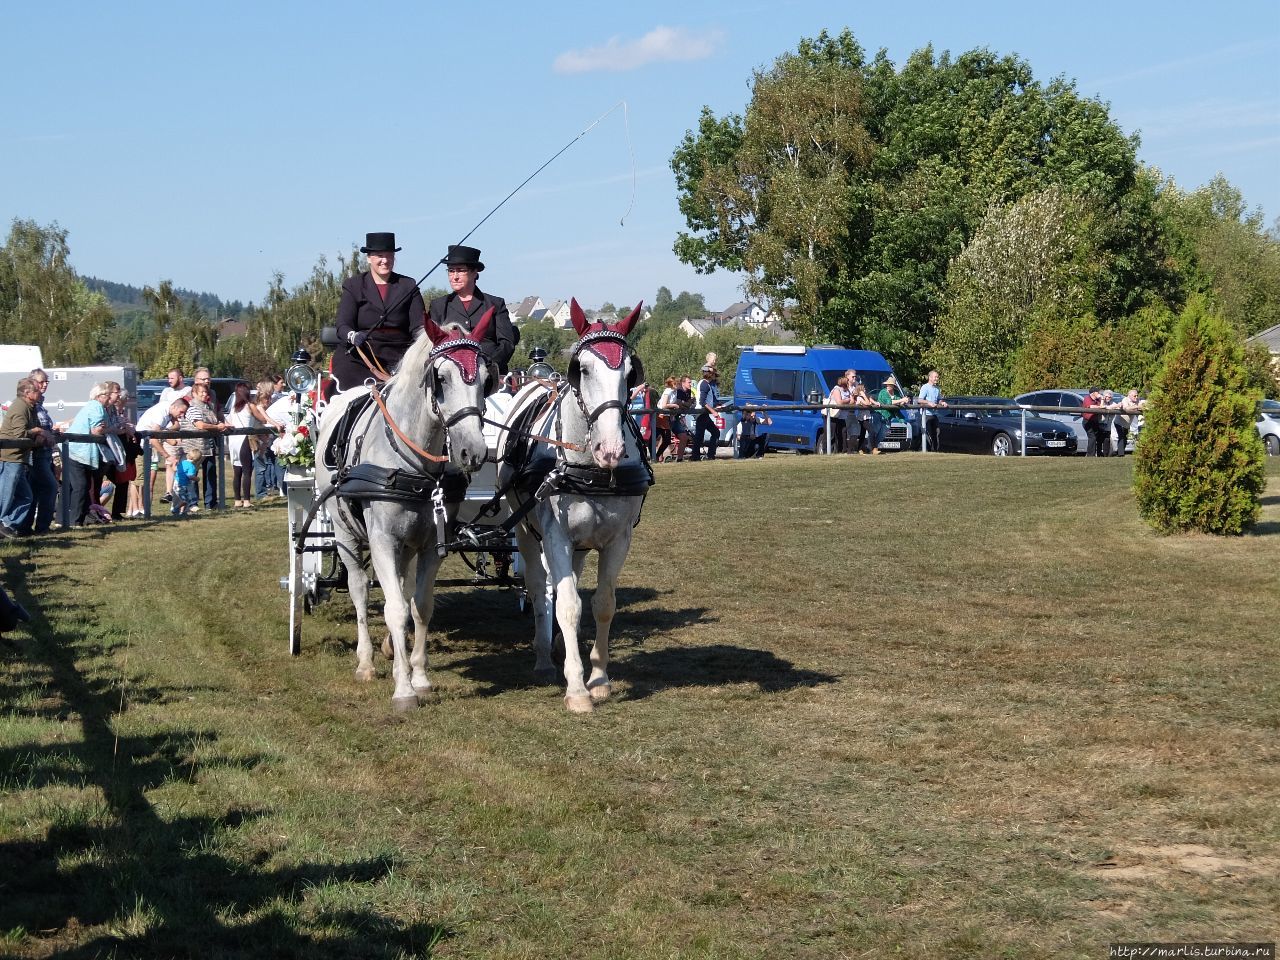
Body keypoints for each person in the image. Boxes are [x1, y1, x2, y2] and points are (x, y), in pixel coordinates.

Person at [332, 231, 427, 393]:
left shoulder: (408, 285)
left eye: (389, 256)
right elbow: (343, 324)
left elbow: (419, 326)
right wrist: (353, 336)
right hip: (362, 353)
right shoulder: (353, 285)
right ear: (369, 258)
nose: (385, 261)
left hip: (399, 354)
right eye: (379, 256)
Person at [428, 245, 517, 374]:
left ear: (474, 272)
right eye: (451, 271)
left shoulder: (495, 304)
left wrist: (488, 365)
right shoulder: (439, 306)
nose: (455, 276)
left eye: (460, 270)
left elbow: (507, 344)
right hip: (452, 377)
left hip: (490, 375)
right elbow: (432, 345)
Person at [0, 378, 48, 539]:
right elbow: (19, 434)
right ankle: (3, 523)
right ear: (27, 393)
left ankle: (6, 524)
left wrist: (38, 435)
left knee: (26, 496)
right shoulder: (20, 407)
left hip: (19, 458)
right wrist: (36, 431)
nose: (39, 391)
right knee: (5, 496)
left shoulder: (30, 406)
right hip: (10, 458)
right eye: (36, 390)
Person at [65, 382, 117, 527]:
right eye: (107, 395)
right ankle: (74, 521)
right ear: (100, 396)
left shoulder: (94, 407)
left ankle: (83, 519)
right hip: (77, 451)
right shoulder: (97, 407)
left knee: (85, 485)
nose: (109, 398)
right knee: (80, 486)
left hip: (80, 451)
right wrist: (110, 429)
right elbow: (96, 431)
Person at [182, 375, 231, 509]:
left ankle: (211, 503)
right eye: (201, 392)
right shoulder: (192, 407)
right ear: (194, 394)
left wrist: (222, 424)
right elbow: (200, 425)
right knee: (192, 474)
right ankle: (192, 503)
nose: (205, 394)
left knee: (210, 474)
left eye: (206, 392)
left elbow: (214, 420)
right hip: (194, 447)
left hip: (208, 446)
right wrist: (217, 427)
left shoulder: (208, 406)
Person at [138, 394, 190, 515]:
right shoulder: (161, 414)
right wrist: (167, 456)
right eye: (181, 412)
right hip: (141, 446)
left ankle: (145, 511)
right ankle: (138, 510)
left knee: (148, 482)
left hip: (148, 446)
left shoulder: (169, 410)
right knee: (140, 482)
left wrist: (167, 433)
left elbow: (177, 426)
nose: (182, 415)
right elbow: (154, 438)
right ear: (174, 407)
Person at [23, 369, 58, 535]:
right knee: (50, 487)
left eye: (46, 382)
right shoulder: (28, 405)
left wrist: (52, 432)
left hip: (44, 453)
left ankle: (26, 527)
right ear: (31, 383)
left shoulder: (39, 404)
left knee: (34, 490)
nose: (44, 385)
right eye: (41, 381)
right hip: (35, 455)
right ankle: (42, 527)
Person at [692, 365, 726, 461]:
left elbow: (709, 401)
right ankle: (697, 456)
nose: (715, 376)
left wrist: (717, 406)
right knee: (701, 435)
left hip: (704, 413)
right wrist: (713, 411)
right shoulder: (704, 384)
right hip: (702, 413)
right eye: (714, 374)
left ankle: (708, 455)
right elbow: (702, 402)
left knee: (712, 433)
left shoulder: (706, 384)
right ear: (710, 375)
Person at [873, 376, 910, 454]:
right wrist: (901, 400)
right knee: (875, 431)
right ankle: (872, 448)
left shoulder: (896, 392)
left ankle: (875, 447)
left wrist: (905, 401)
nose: (888, 386)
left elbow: (899, 401)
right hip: (880, 414)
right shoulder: (883, 392)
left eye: (890, 384)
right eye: (887, 384)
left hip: (889, 416)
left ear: (893, 386)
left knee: (884, 432)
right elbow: (889, 402)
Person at [917, 370, 948, 451]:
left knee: (937, 432)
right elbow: (919, 400)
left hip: (934, 414)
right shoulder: (925, 387)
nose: (937, 378)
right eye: (935, 377)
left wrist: (942, 402)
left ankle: (935, 451)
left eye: (937, 377)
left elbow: (939, 400)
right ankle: (925, 451)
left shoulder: (937, 389)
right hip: (925, 415)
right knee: (927, 434)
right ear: (930, 377)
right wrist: (929, 402)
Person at [826, 376, 852, 454]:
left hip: (842, 416)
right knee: (832, 434)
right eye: (847, 382)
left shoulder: (847, 390)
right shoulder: (837, 389)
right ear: (844, 383)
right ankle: (829, 451)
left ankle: (843, 450)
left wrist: (848, 400)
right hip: (833, 415)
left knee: (843, 432)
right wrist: (847, 400)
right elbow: (839, 402)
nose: (849, 383)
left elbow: (852, 401)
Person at [1113, 389, 1142, 456]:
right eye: (1135, 396)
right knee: (1121, 436)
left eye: (1137, 395)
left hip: (1126, 424)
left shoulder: (1137, 400)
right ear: (1130, 396)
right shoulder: (1125, 400)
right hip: (1119, 422)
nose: (1136, 397)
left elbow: (1141, 406)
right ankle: (1121, 454)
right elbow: (1126, 408)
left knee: (1125, 438)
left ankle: (1120, 452)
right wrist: (1137, 407)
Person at [173, 449, 201, 516]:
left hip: (176, 484)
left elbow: (174, 469)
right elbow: (190, 476)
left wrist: (174, 463)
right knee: (186, 499)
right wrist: (197, 479)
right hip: (182, 485)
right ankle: (176, 509)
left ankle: (183, 512)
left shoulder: (182, 463)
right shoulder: (191, 466)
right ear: (197, 460)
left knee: (187, 498)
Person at [851, 383, 876, 454]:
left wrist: (876, 403)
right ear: (861, 390)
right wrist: (864, 395)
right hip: (862, 418)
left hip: (866, 417)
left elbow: (870, 401)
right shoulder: (859, 398)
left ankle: (859, 449)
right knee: (872, 431)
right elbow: (868, 403)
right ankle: (873, 448)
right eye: (864, 389)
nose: (865, 390)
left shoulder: (866, 397)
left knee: (862, 434)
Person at [1081, 386, 1106, 457]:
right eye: (1097, 392)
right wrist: (1100, 407)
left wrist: (1102, 399)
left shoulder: (1098, 400)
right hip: (1087, 421)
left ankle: (1094, 453)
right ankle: (1090, 455)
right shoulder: (1087, 398)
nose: (1099, 393)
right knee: (1092, 437)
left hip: (1095, 421)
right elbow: (1091, 406)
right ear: (1093, 393)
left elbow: (1102, 406)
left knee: (1097, 437)